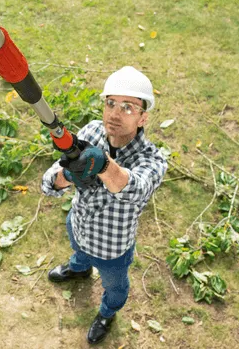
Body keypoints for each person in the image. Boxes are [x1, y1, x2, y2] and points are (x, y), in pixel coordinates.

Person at [41, 65, 168, 344]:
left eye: (128, 107)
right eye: (110, 103)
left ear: (143, 117)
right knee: (78, 249)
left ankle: (107, 313)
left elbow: (135, 188)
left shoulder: (153, 160)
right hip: (79, 224)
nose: (114, 113)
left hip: (112, 250)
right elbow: (48, 183)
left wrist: (102, 164)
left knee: (115, 286)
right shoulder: (91, 131)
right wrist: (68, 176)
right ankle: (79, 268)